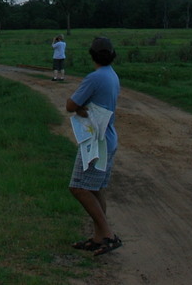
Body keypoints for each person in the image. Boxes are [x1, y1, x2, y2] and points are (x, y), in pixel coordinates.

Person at [65, 36, 122, 257]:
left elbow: (71, 104)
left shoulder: (94, 78)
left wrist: (79, 109)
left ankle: (107, 234)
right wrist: (83, 109)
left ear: (92, 55)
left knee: (78, 187)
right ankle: (99, 237)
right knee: (96, 188)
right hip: (108, 137)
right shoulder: (112, 75)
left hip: (95, 142)